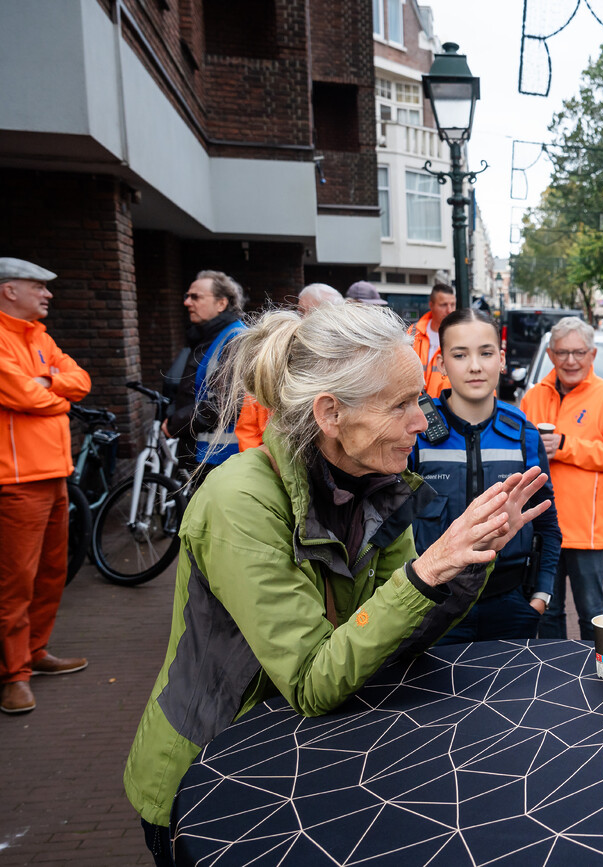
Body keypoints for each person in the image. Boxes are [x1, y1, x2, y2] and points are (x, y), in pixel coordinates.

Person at [123, 302, 550, 866]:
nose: (422, 422)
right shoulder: (240, 502)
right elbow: (310, 682)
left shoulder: (376, 483)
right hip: (213, 775)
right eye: (400, 404)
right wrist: (425, 572)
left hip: (306, 760)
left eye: (419, 399)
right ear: (330, 413)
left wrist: (467, 559)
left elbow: (395, 637)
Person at [411, 307, 561, 642]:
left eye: (486, 353)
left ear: (502, 360)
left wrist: (540, 597)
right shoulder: (414, 432)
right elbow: (391, 524)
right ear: (440, 363)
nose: (475, 366)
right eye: (460, 354)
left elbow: (547, 524)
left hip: (511, 605)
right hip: (433, 604)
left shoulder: (524, 433)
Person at [0, 258, 92, 716]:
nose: (48, 294)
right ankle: (13, 675)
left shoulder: (40, 337)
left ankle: (35, 652)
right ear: (8, 289)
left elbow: (82, 381)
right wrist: (56, 399)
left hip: (54, 475)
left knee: (51, 573)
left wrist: (50, 386)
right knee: (15, 582)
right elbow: (26, 396)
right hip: (15, 482)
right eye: (38, 286)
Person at [520, 317, 603, 640]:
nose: (570, 361)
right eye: (562, 352)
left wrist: (566, 446)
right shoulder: (533, 398)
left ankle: (597, 678)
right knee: (547, 612)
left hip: (587, 531)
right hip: (543, 527)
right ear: (550, 354)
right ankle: (555, 678)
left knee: (591, 614)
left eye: (578, 352)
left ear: (592, 355)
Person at [235, 283, 344, 451]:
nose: (305, 318)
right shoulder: (275, 359)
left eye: (316, 312)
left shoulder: (349, 363)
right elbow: (248, 428)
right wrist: (266, 466)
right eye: (300, 311)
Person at [163, 270, 246, 470]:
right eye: (187, 296)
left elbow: (224, 403)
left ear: (221, 303)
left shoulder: (235, 339)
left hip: (224, 460)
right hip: (210, 457)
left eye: (196, 297)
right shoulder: (210, 337)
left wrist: (176, 423)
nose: (187, 303)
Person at [410, 281, 457, 396]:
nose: (449, 310)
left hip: (444, 407)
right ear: (431, 305)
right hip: (415, 405)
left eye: (453, 305)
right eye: (443, 305)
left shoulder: (461, 336)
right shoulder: (413, 332)